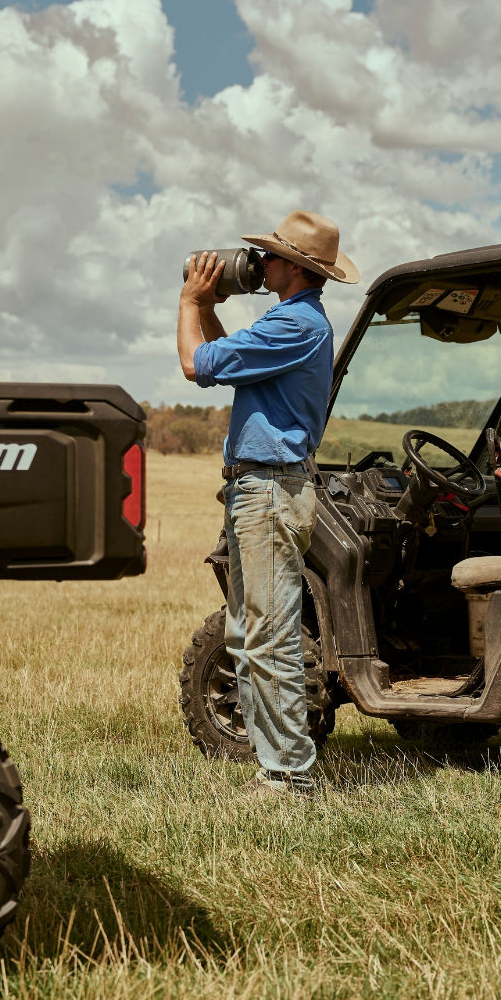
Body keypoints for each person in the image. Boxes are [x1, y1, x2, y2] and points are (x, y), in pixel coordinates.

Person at [178, 210, 357, 798]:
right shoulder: (288, 323)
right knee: (246, 632)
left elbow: (196, 364)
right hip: (257, 487)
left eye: (269, 256)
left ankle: (289, 774)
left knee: (271, 634)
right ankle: (272, 760)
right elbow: (227, 355)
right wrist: (210, 304)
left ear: (295, 269)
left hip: (271, 490)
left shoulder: (297, 326)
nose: (259, 264)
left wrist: (188, 301)